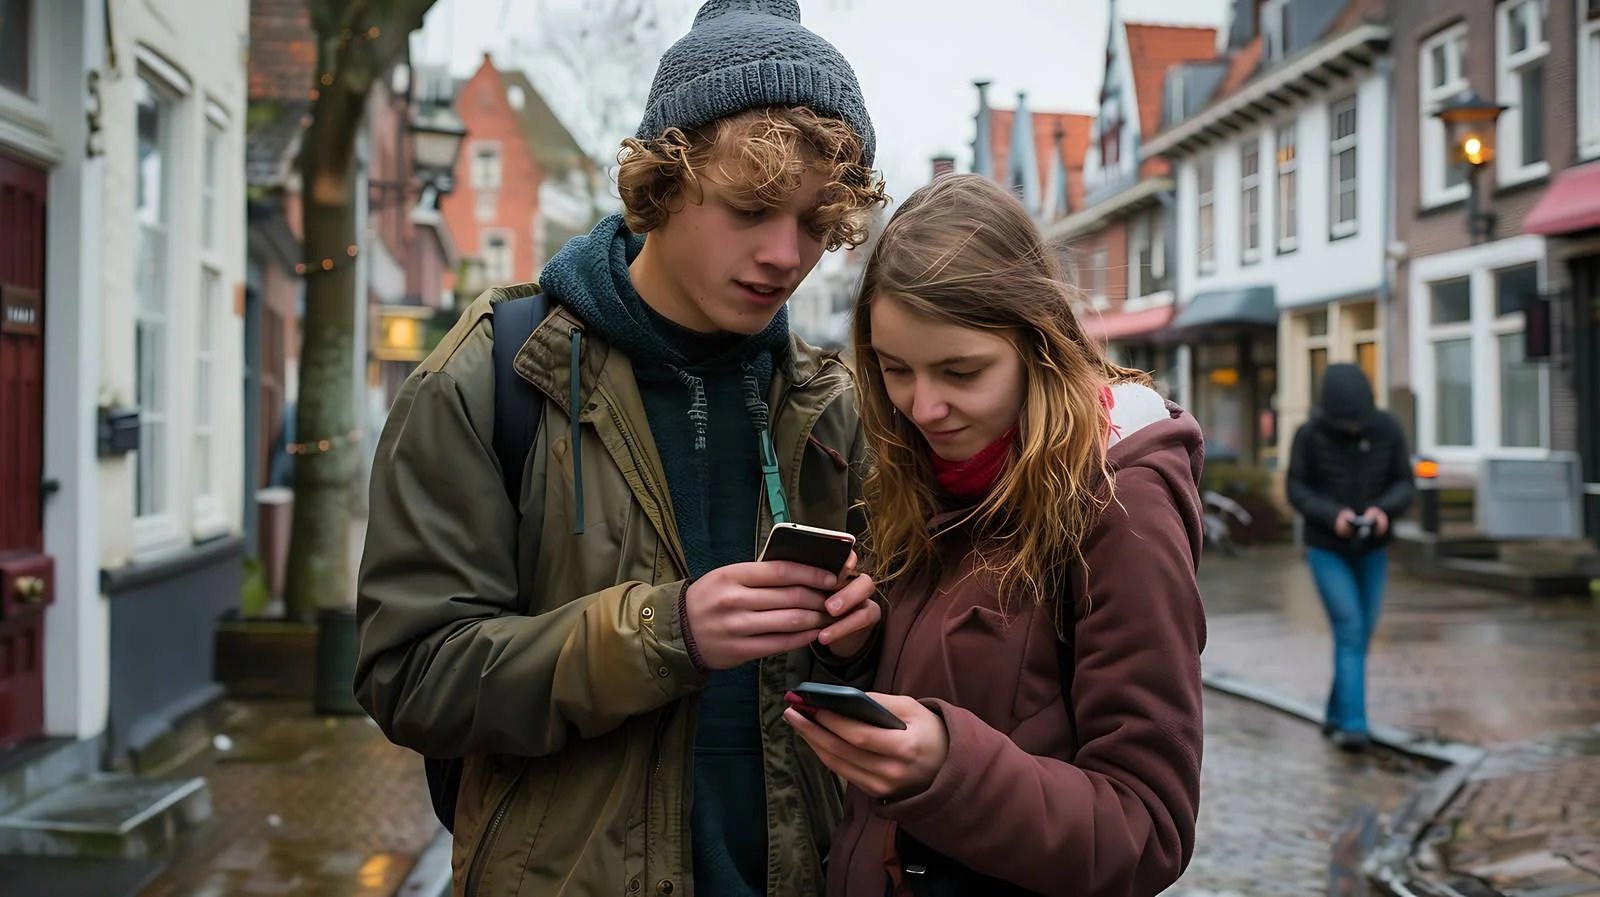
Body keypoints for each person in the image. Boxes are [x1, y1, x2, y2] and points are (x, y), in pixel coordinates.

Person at [352, 2, 890, 894]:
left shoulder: (833, 407)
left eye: (815, 223)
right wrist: (663, 632)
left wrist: (856, 646)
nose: (784, 254)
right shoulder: (491, 376)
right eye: (752, 208)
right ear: (663, 181)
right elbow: (409, 676)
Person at [784, 173, 1207, 897]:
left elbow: (1148, 828)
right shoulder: (920, 476)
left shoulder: (1119, 501)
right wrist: (858, 652)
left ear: (1036, 342)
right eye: (894, 370)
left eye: (961, 370)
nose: (923, 406)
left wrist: (947, 768)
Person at [1286, 363, 1414, 752]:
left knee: (1359, 634)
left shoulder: (1388, 429)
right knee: (1350, 627)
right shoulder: (1309, 436)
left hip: (1372, 549)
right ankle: (1355, 727)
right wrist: (1332, 516)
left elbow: (1404, 483)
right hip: (1327, 549)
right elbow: (1297, 487)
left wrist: (1382, 511)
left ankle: (1336, 714)